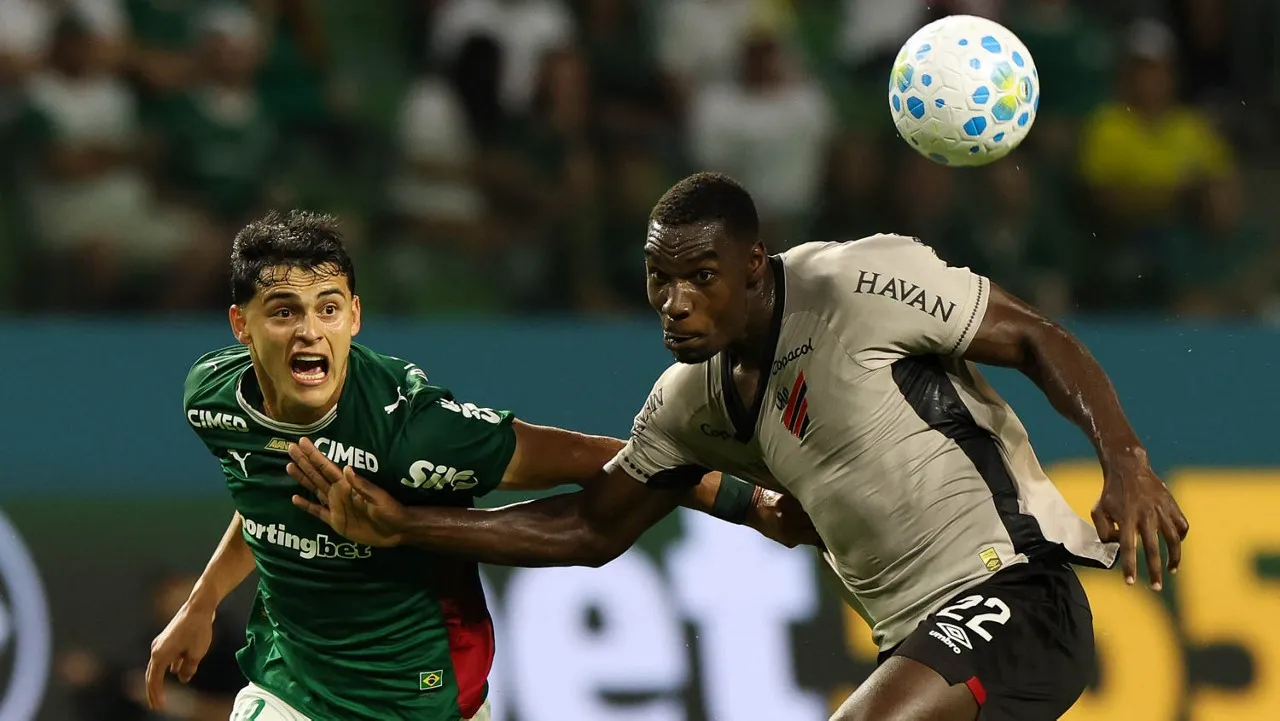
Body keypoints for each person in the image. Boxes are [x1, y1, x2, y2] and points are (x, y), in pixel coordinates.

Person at [287, 172, 1191, 721]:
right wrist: (408, 525)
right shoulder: (690, 403)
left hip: (1018, 592)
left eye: (701, 277)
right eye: (660, 280)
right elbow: (590, 528)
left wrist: (1127, 462)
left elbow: (1036, 337)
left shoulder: (857, 284)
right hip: (917, 642)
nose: (675, 302)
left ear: (754, 265)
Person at [145, 209, 815, 721]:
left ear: (355, 316)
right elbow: (264, 496)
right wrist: (203, 601)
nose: (308, 331)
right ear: (241, 325)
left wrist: (750, 505)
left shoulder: (414, 434)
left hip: (421, 699)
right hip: (289, 689)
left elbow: (607, 459)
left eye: (327, 309)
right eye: (283, 312)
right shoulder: (212, 397)